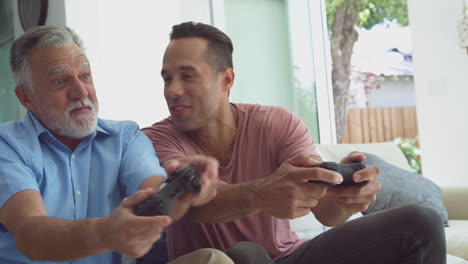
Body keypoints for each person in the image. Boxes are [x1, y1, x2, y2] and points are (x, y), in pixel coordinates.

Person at [142, 21, 447, 264]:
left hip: (293, 255)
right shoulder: (154, 140)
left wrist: (347, 199)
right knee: (246, 253)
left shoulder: (276, 123)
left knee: (420, 222)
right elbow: (190, 206)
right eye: (167, 78)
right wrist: (261, 194)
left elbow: (326, 214)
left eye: (187, 76)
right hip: (227, 260)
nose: (173, 90)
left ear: (226, 80)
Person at [0, 25, 234, 264]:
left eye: (85, 76)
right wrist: (104, 233)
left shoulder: (123, 138)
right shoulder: (7, 145)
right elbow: (30, 235)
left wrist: (181, 187)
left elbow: (155, 194)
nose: (81, 92)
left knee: (213, 260)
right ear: (26, 97)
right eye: (60, 81)